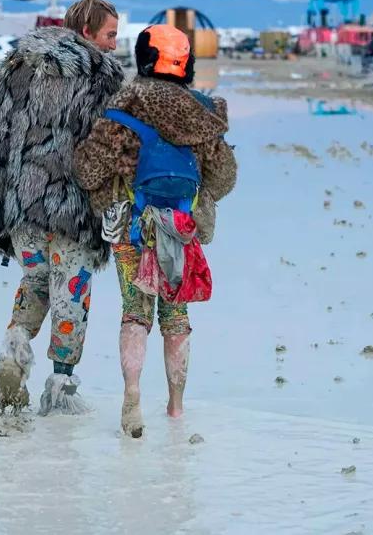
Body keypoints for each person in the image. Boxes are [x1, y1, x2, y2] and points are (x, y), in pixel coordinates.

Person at [74, 24, 237, 437]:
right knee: (176, 316)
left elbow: (88, 169)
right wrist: (194, 203)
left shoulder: (124, 106)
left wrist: (112, 190)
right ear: (186, 63)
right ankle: (177, 409)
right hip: (182, 229)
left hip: (131, 227)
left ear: (145, 58)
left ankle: (132, 396)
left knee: (135, 312)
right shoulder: (204, 112)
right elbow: (224, 177)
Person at [0, 0, 124, 414]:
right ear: (86, 32)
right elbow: (110, 148)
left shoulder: (17, 65)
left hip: (19, 205)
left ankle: (13, 350)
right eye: (110, 35)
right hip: (71, 209)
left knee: (35, 283)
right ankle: (60, 386)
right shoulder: (100, 75)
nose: (115, 44)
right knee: (71, 294)